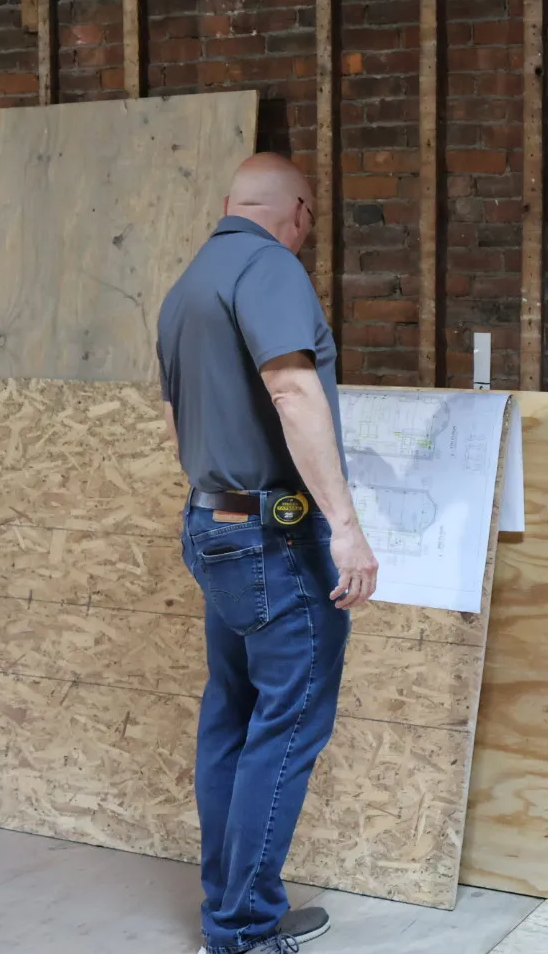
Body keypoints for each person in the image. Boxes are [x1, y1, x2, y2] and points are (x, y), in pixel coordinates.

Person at [157, 152, 380, 954]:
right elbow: (291, 390)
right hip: (272, 538)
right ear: (300, 212)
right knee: (285, 727)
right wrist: (344, 527)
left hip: (214, 527)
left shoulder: (188, 286)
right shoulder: (271, 267)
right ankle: (243, 931)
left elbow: (188, 418)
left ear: (230, 203)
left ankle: (237, 907)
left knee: (234, 719)